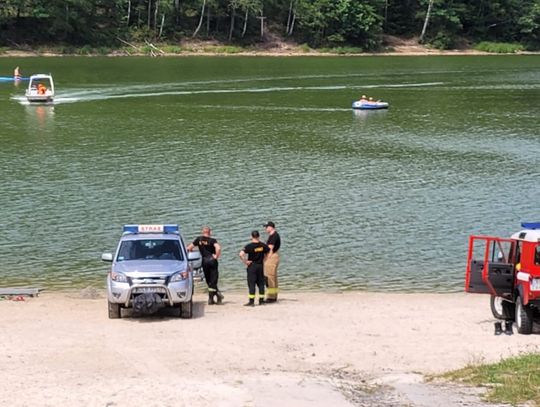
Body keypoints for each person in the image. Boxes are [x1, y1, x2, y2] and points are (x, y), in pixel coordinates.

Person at [187, 226, 223, 305]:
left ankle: (215, 297)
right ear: (210, 232)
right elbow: (219, 248)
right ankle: (212, 298)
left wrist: (192, 251)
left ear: (202, 232)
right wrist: (216, 256)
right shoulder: (212, 240)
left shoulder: (199, 239)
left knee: (208, 280)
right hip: (212, 260)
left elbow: (189, 248)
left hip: (205, 261)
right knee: (213, 280)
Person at [239, 230, 269, 307]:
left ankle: (251, 302)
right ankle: (261, 301)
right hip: (260, 266)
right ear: (259, 236)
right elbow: (268, 252)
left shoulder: (249, 246)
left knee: (252, 284)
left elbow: (241, 254)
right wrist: (264, 259)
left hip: (252, 266)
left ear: (251, 237)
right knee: (261, 284)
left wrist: (245, 261)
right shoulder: (263, 245)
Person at [263, 221, 281, 303]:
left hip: (271, 257)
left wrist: (266, 258)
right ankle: (274, 295)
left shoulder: (273, 236)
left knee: (269, 277)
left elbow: (270, 249)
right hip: (274, 256)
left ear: (271, 227)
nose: (265, 228)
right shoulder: (273, 235)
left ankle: (271, 297)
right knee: (273, 277)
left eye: (266, 227)